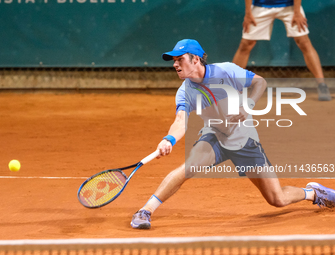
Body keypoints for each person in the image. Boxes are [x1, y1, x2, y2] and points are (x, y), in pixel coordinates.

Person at [130, 39, 335, 229]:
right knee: (189, 166)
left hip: (244, 139)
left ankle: (314, 192)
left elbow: (260, 82)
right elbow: (180, 121)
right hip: (215, 136)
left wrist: (248, 105)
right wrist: (169, 139)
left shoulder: (225, 71)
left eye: (180, 60)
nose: (175, 65)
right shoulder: (185, 91)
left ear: (195, 59)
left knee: (277, 199)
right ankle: (145, 211)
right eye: (174, 61)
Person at [232, 0, 332, 101]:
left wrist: (297, 13)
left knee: (304, 43)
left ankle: (322, 85)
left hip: (290, 7)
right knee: (245, 45)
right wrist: (248, 13)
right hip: (260, 6)